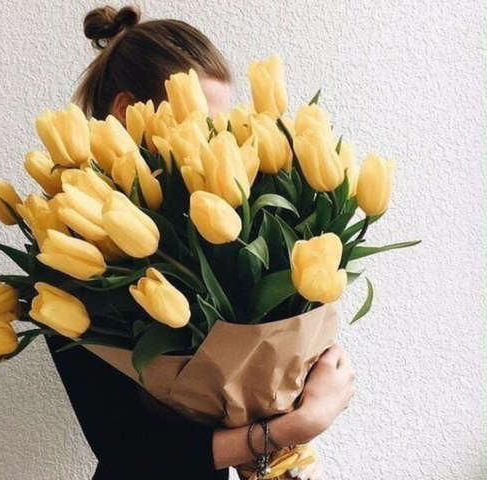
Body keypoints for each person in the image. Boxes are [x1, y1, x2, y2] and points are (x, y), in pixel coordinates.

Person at [45, 6, 355, 480]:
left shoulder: (217, 225)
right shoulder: (70, 247)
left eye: (221, 126)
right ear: (128, 112)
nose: (215, 142)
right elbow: (126, 451)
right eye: (201, 123)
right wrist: (296, 425)